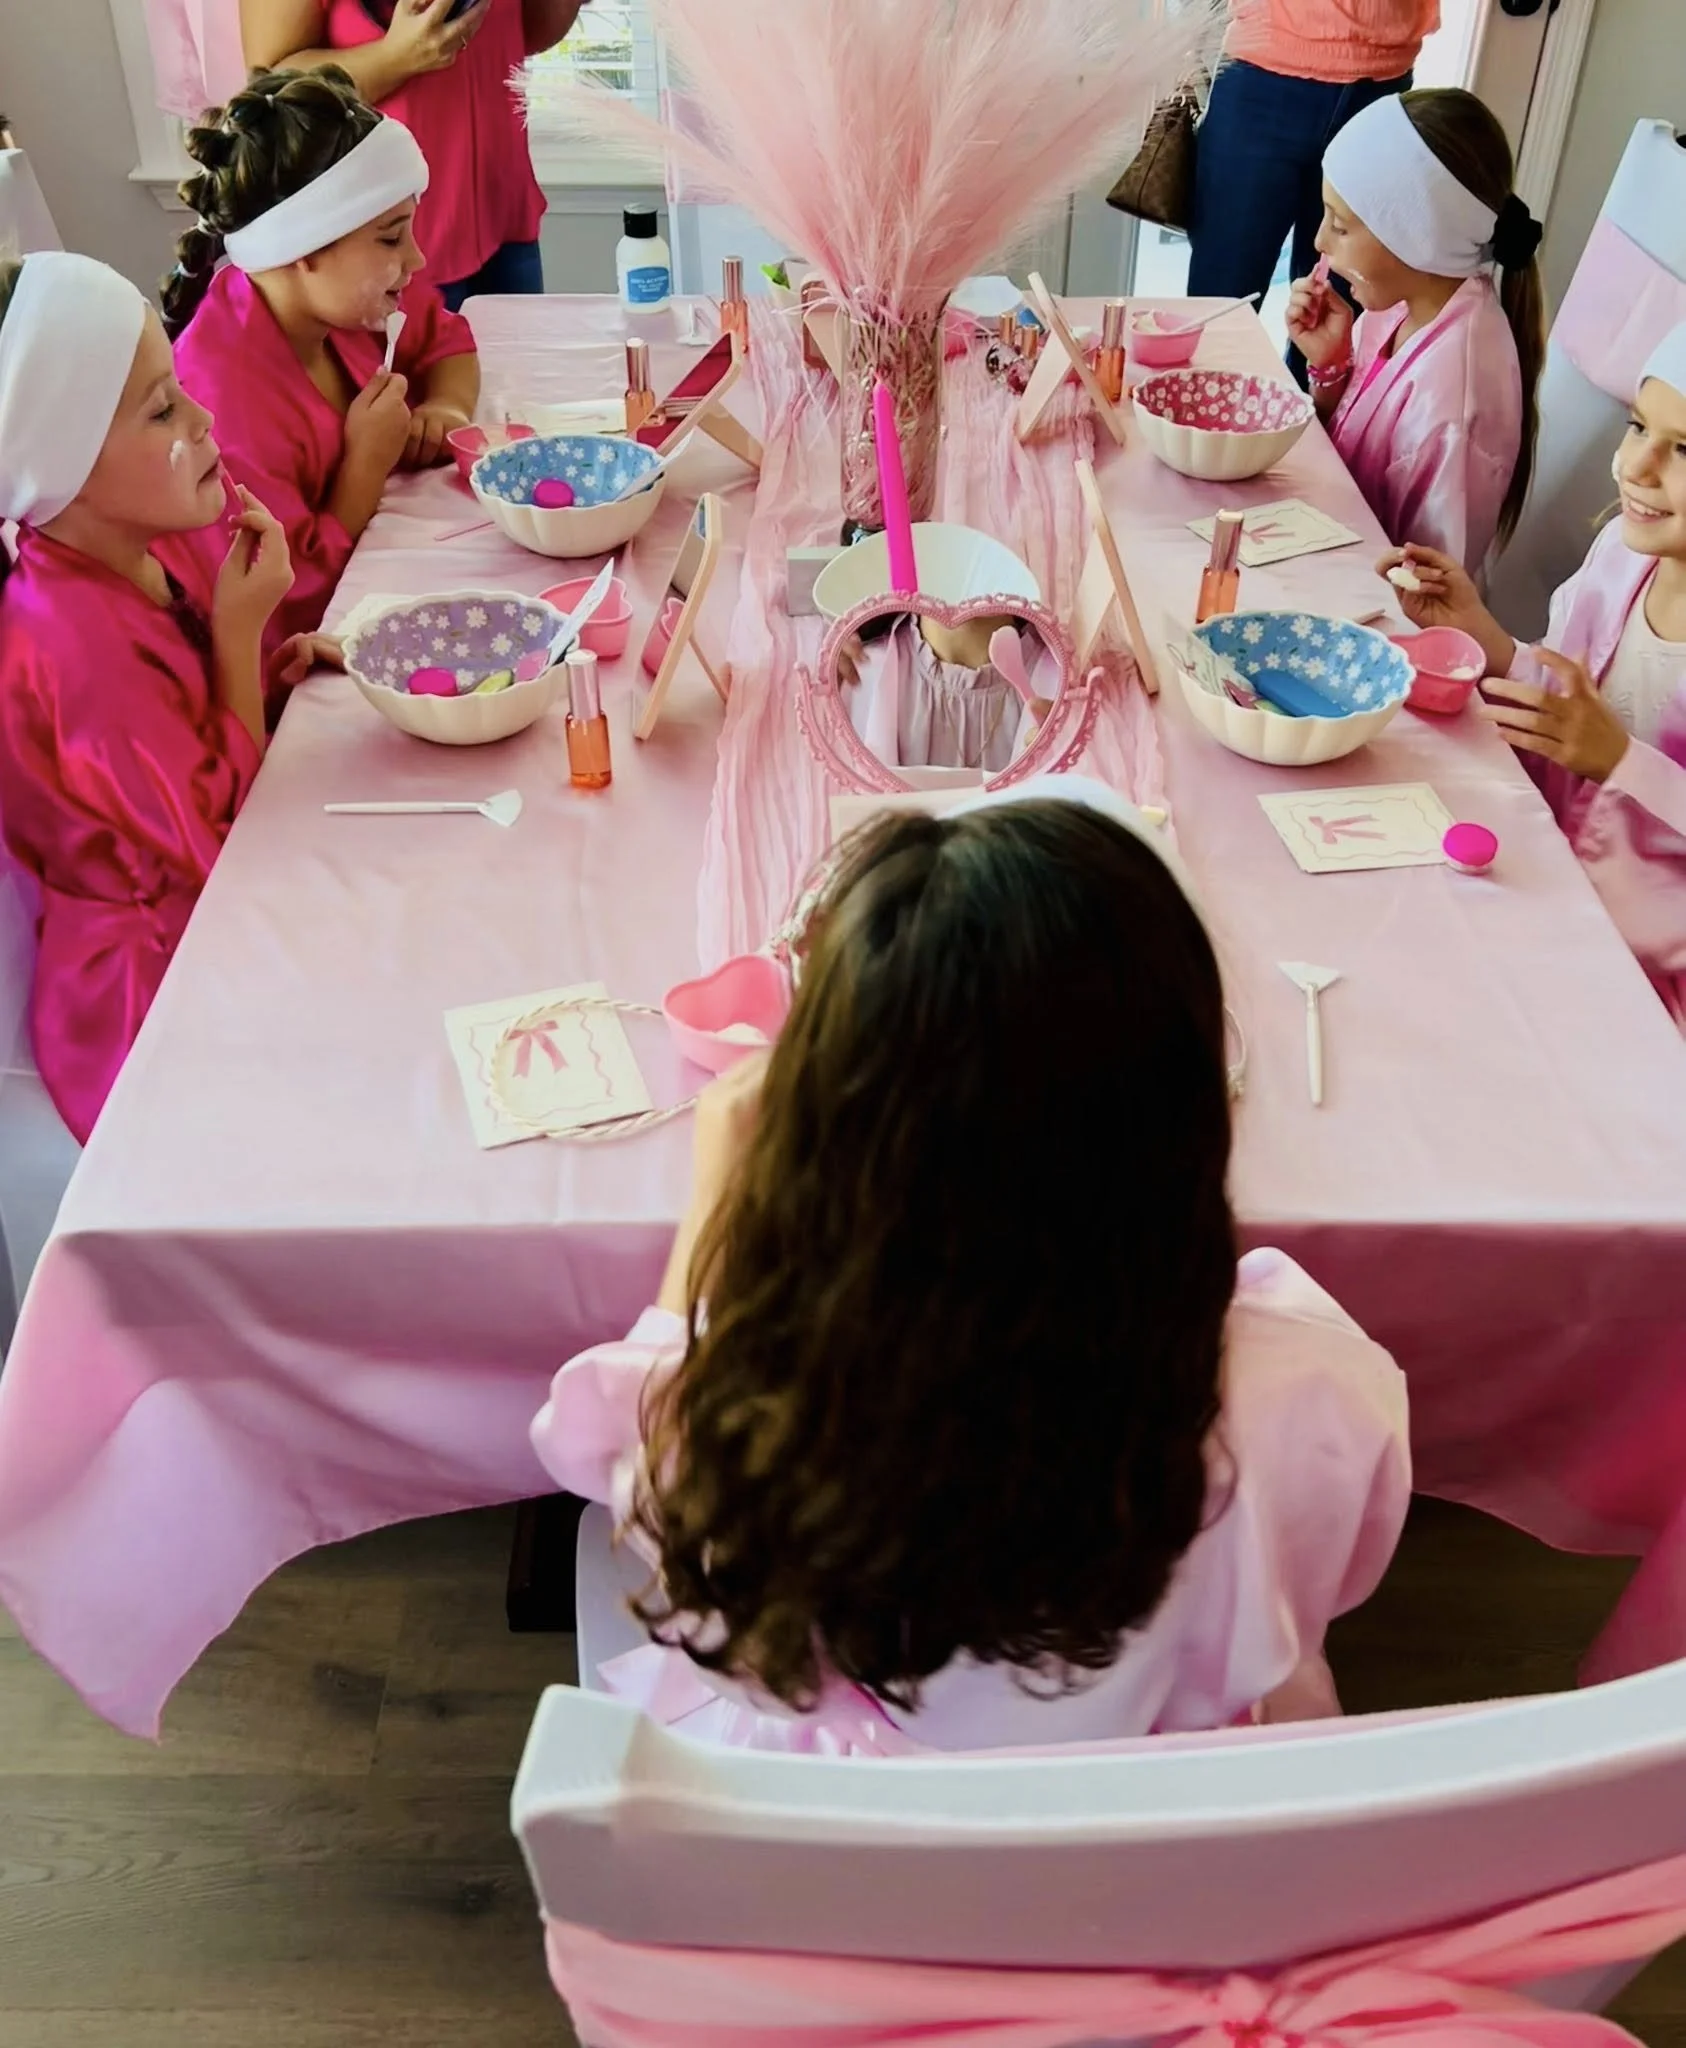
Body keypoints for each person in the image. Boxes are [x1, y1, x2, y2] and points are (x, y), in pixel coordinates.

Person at [532, 781, 1410, 1754]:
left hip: (856, 1850)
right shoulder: (1319, 1384)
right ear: (1192, 1111)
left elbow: (669, 1539)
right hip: (1170, 1819)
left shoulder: (767, 1421)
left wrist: (711, 1216)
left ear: (826, 1135)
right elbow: (1333, 1574)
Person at [0, 253, 301, 1143]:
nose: (204, 419)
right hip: (151, 1005)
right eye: (163, 408)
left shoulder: (128, 550)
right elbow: (218, 851)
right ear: (65, 457)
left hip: (199, 924)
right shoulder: (71, 642)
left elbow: (190, 740)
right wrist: (240, 642)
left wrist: (267, 678)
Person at [1380, 325, 1686, 1033]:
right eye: (1639, 425)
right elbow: (1565, 704)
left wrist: (1621, 763)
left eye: (1683, 449)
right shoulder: (1621, 555)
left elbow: (1601, 746)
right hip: (1545, 881)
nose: (1637, 466)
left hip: (1645, 989)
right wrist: (1487, 639)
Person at [166, 67, 481, 657]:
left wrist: (445, 405)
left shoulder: (346, 303)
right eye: (391, 239)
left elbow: (445, 339)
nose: (416, 257)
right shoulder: (222, 408)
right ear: (303, 250)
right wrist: (364, 465)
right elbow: (281, 598)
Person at [1287, 88, 1544, 579]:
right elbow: (1346, 451)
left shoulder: (1454, 403)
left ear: (1417, 234)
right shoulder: (1398, 303)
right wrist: (1330, 369)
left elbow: (1429, 595)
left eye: (1340, 226)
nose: (1319, 241)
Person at [241, 0, 585, 310]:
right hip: (388, 243)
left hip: (505, 219)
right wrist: (395, 58)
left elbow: (527, 32)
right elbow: (273, 86)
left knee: (522, 377)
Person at [1187, 0, 1439, 363]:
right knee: (1219, 315)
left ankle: (1310, 417)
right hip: (1263, 72)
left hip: (1380, 82)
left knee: (1334, 323)